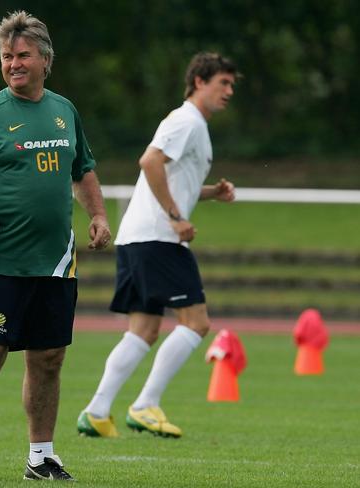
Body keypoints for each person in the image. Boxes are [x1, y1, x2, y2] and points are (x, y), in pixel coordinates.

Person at [0, 10, 111, 482]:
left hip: (55, 261)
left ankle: (41, 456)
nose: (13, 63)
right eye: (7, 56)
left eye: (23, 55)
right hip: (0, 261)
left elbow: (83, 170)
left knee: (49, 357)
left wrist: (97, 215)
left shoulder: (64, 110)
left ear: (45, 60)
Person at [77, 52, 239, 439]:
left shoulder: (193, 124)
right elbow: (149, 162)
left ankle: (97, 412)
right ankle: (146, 404)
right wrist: (175, 216)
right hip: (158, 237)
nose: (229, 91)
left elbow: (171, 176)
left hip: (140, 236)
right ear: (200, 81)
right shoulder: (186, 120)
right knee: (196, 323)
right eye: (224, 83)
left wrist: (211, 193)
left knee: (144, 329)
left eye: (232, 85)